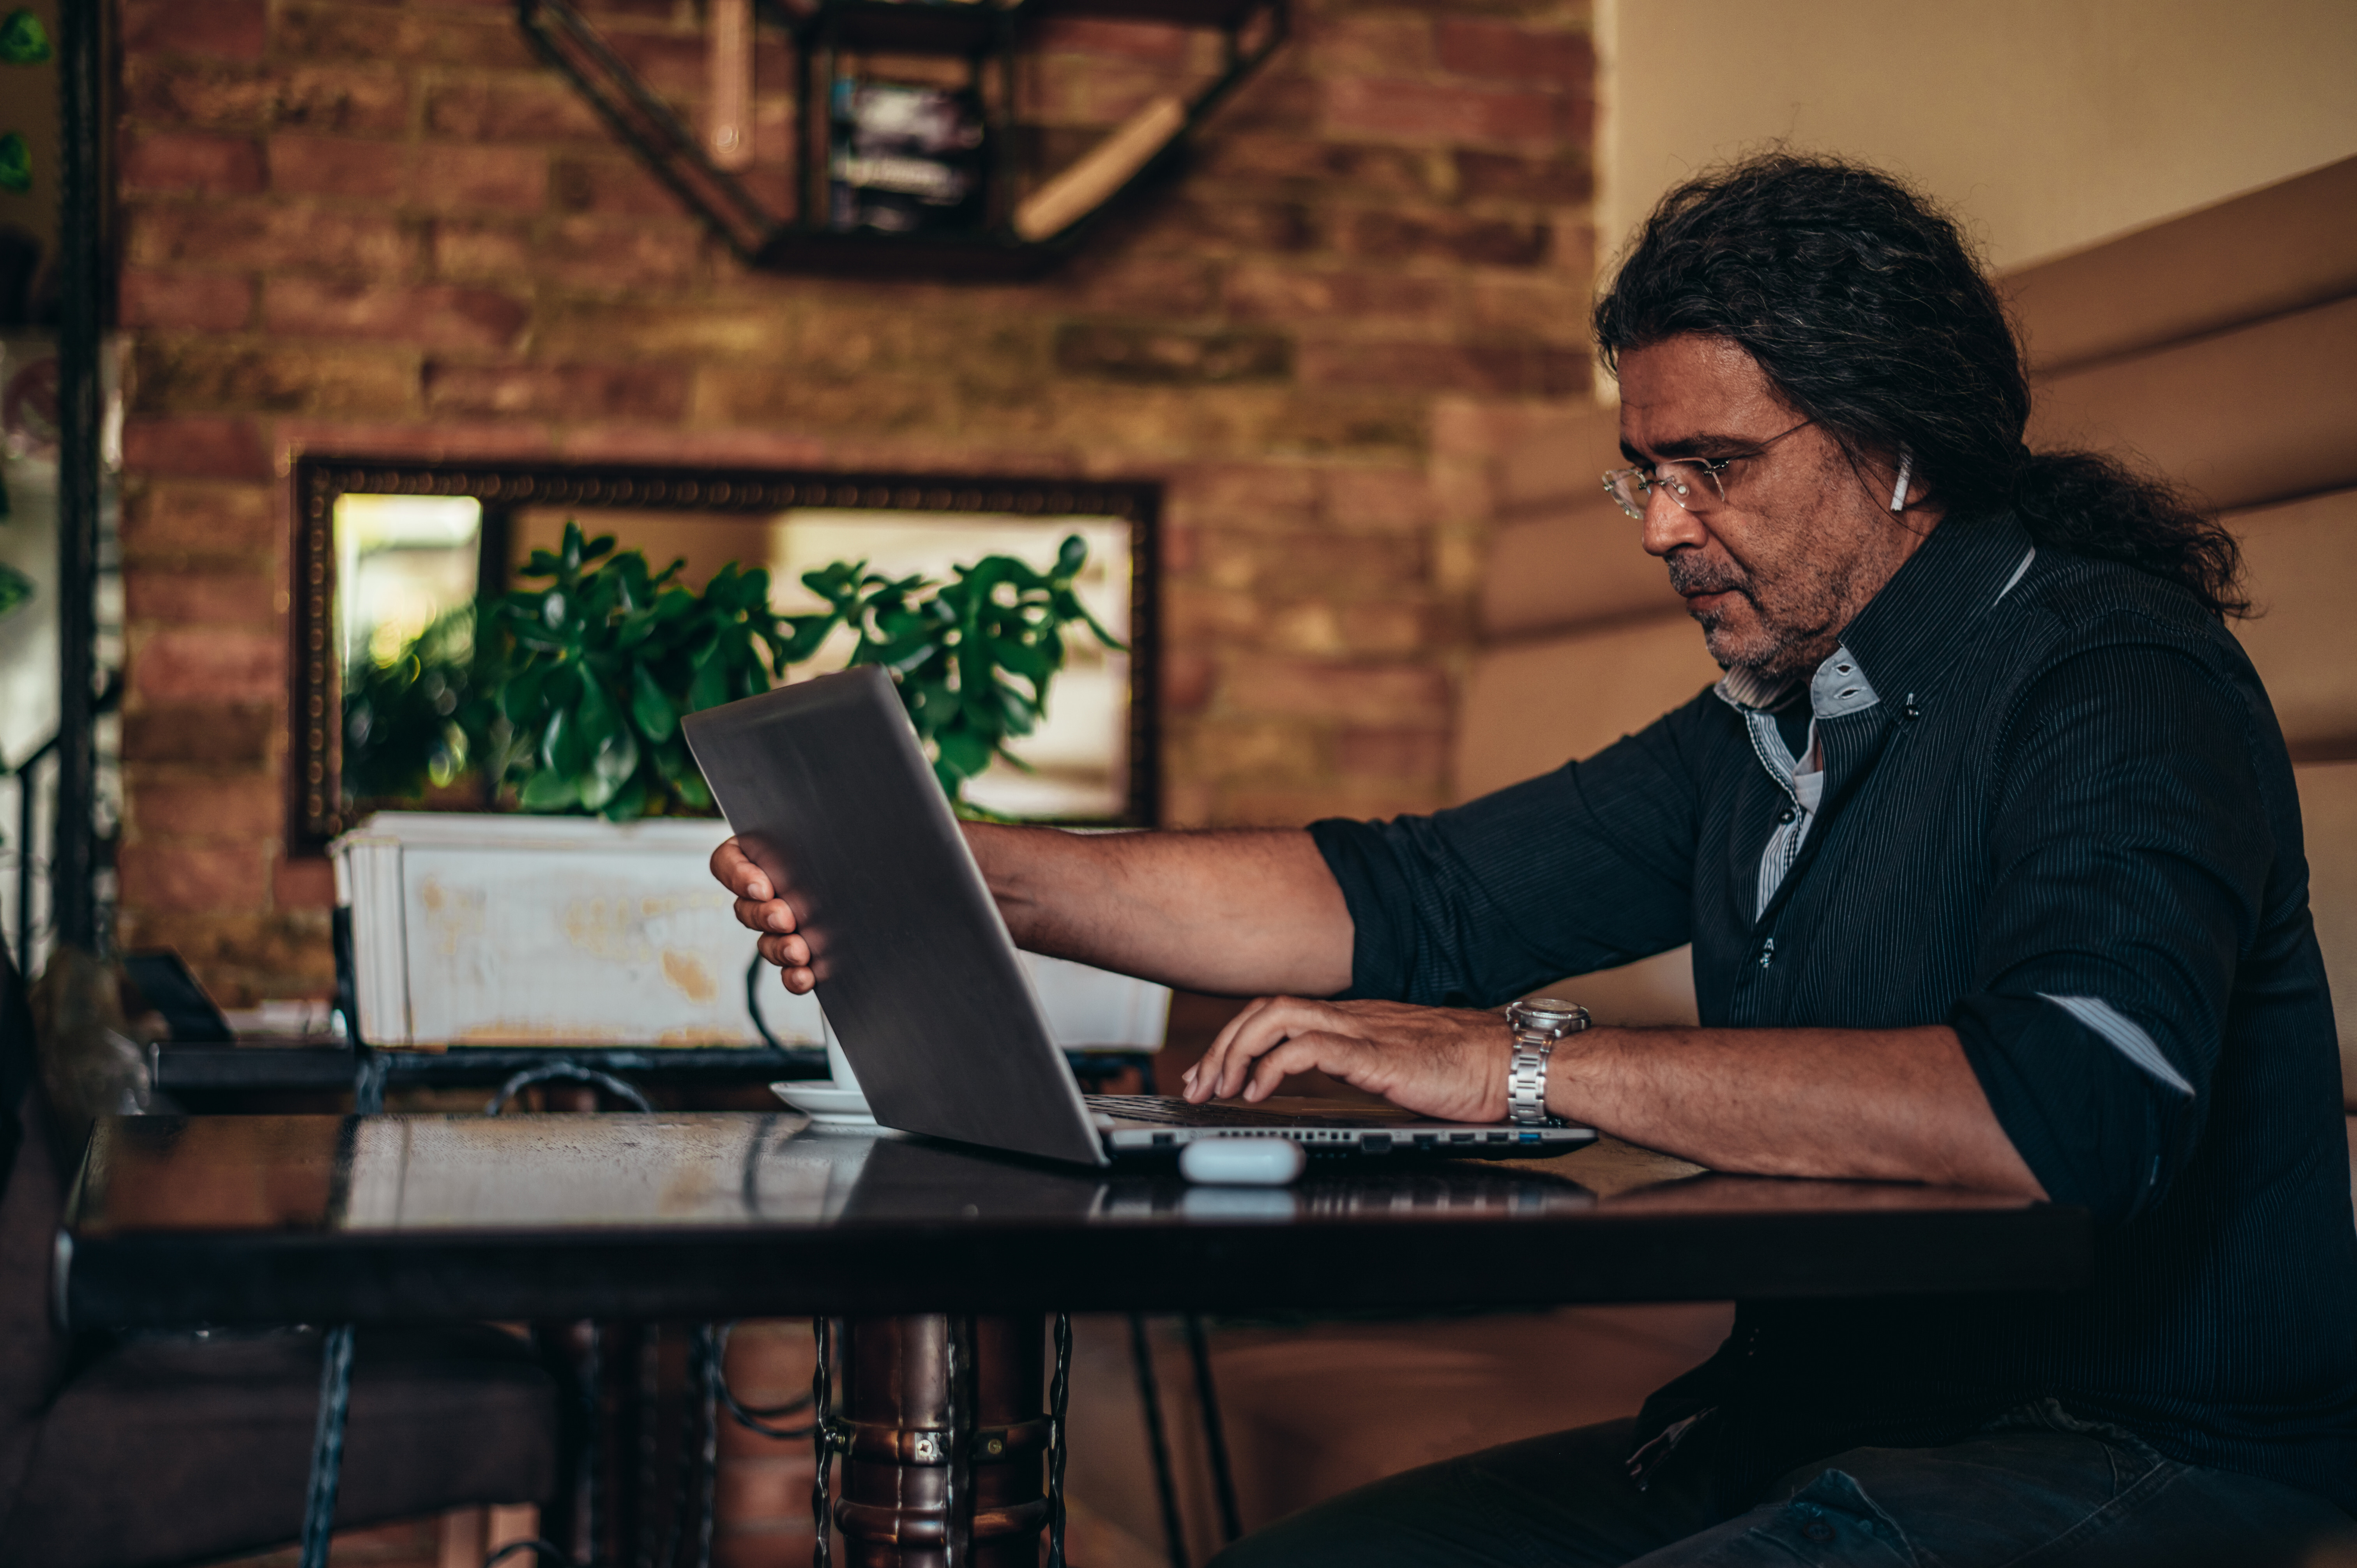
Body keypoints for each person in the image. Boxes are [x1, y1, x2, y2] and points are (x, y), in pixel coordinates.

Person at [714, 155, 2357, 1564]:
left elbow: (2059, 1114)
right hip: (1817, 1425)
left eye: (1714, 466)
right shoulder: (1771, 719)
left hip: (2130, 1447)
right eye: (1642, 471)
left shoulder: (2118, 680)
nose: (1659, 525)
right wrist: (972, 869)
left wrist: (1524, 1064)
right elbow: (1413, 894)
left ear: (1903, 444)